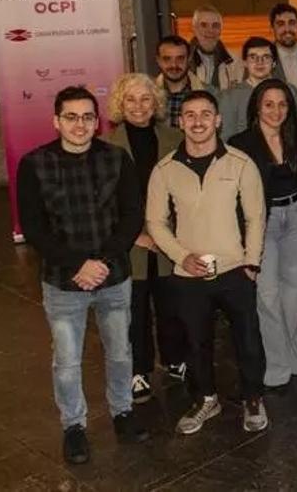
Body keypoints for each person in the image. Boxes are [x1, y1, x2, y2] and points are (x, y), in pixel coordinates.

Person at [18, 86, 150, 464]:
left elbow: (131, 216)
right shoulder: (35, 164)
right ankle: (73, 426)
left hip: (113, 275)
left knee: (121, 351)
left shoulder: (116, 158)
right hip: (63, 281)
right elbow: (34, 227)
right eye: (72, 117)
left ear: (98, 121)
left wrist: (103, 260)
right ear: (56, 121)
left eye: (88, 117)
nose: (80, 124)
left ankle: (123, 412)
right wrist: (78, 265)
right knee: (68, 360)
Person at [146, 90, 268, 435]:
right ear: (180, 121)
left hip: (234, 269)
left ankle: (253, 398)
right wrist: (181, 255)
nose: (197, 121)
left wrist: (251, 262)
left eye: (205, 114)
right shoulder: (165, 169)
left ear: (218, 120)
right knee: (196, 341)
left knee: (248, 339)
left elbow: (255, 217)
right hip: (187, 272)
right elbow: (155, 221)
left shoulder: (241, 163)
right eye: (190, 115)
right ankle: (206, 399)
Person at [102, 74, 186, 404]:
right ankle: (138, 371)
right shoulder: (107, 145)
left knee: (170, 304)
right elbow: (103, 199)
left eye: (145, 99)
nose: (138, 106)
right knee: (133, 308)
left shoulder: (174, 137)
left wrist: (168, 235)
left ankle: (175, 359)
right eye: (131, 100)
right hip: (128, 242)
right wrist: (135, 235)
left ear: (156, 104)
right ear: (120, 105)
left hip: (169, 238)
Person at [228, 79, 297, 390]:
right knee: (267, 295)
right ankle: (278, 363)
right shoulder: (240, 143)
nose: (276, 110)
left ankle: (289, 349)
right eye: (269, 104)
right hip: (261, 222)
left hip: (294, 216)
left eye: (282, 104)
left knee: (294, 290)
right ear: (256, 106)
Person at [218, 36, 297, 140]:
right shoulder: (230, 96)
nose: (260, 62)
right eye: (253, 57)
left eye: (266, 57)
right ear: (245, 62)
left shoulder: (290, 90)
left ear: (274, 63)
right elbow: (226, 139)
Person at [155, 34, 208, 128]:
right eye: (167, 59)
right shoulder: (148, 96)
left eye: (180, 58)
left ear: (189, 59)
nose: (174, 65)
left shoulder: (209, 93)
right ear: (158, 61)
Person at [188, 5, 242, 90]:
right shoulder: (183, 60)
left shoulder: (235, 62)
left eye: (215, 25)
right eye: (204, 25)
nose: (210, 30)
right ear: (194, 28)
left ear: (221, 29)